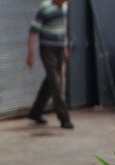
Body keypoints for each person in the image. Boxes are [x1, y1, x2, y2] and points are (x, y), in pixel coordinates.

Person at [26, 0, 73, 129]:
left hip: (59, 48)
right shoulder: (45, 7)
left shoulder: (65, 6)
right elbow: (33, 31)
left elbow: (63, 27)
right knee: (56, 83)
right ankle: (64, 118)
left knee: (51, 82)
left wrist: (65, 47)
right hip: (47, 49)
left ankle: (35, 112)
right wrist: (30, 53)